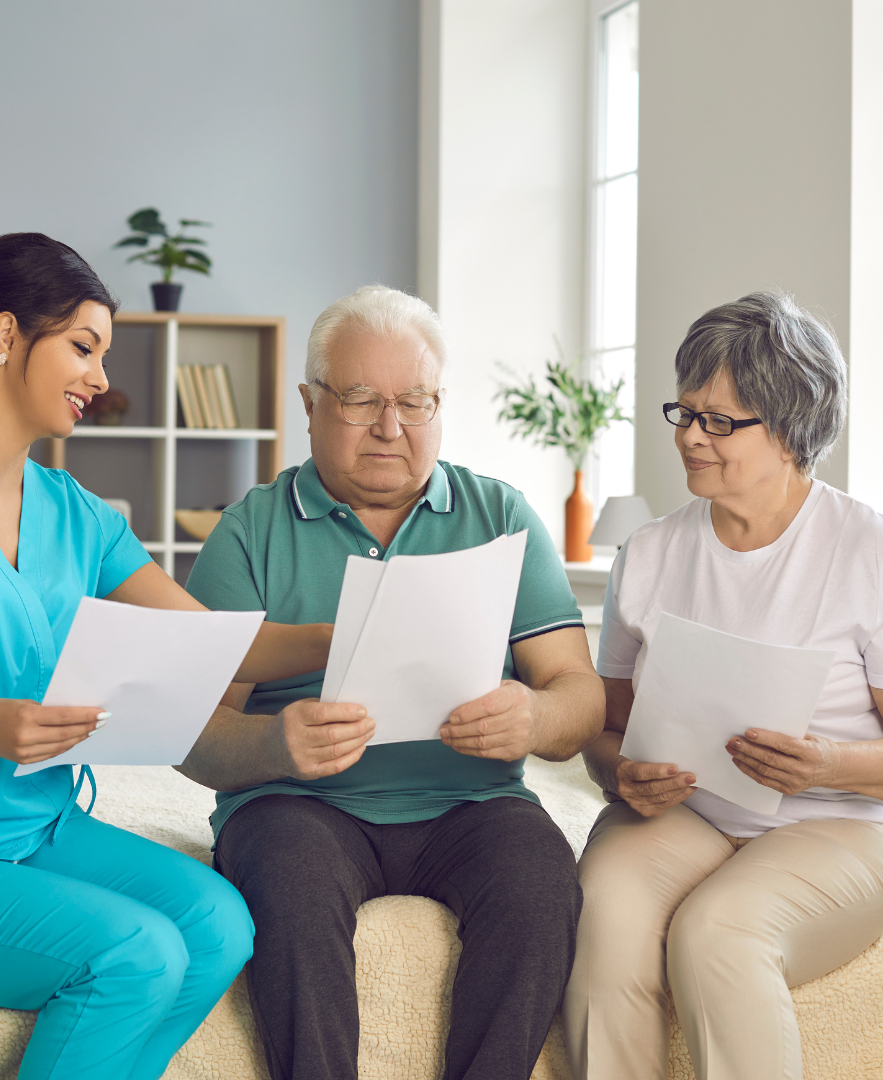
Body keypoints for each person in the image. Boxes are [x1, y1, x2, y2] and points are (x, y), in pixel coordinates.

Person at [0, 233, 334, 1080]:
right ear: (7, 336)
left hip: (36, 827)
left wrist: (348, 635)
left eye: (103, 355)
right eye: (82, 348)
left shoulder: (77, 512)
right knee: (137, 954)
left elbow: (210, 638)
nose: (99, 377)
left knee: (220, 925)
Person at [179, 285, 605, 1080]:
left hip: (475, 804)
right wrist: (273, 743)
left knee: (543, 886)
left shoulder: (503, 516)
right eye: (360, 399)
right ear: (310, 404)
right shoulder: (249, 532)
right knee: (289, 891)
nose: (390, 426)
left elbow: (578, 695)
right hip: (297, 805)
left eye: (415, 401)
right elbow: (191, 732)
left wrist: (533, 719)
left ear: (441, 406)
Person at [562, 291, 883, 1080]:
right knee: (602, 911)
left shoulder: (865, 550)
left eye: (719, 421)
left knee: (717, 932)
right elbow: (606, 732)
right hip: (686, 815)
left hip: (837, 823)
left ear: (791, 431)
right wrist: (619, 774)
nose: (690, 438)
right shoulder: (649, 553)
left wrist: (829, 767)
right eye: (685, 413)